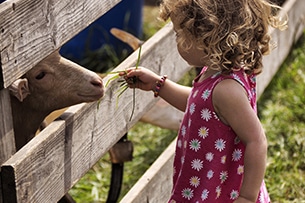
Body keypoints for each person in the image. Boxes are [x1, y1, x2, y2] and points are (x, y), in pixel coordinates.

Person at [120, 0, 287, 202]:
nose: (176, 39)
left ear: (208, 35)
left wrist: (247, 196)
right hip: (208, 183)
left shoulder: (227, 90)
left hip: (222, 192)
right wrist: (159, 85)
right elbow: (199, 105)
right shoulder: (216, 73)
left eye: (180, 32)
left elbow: (256, 140)